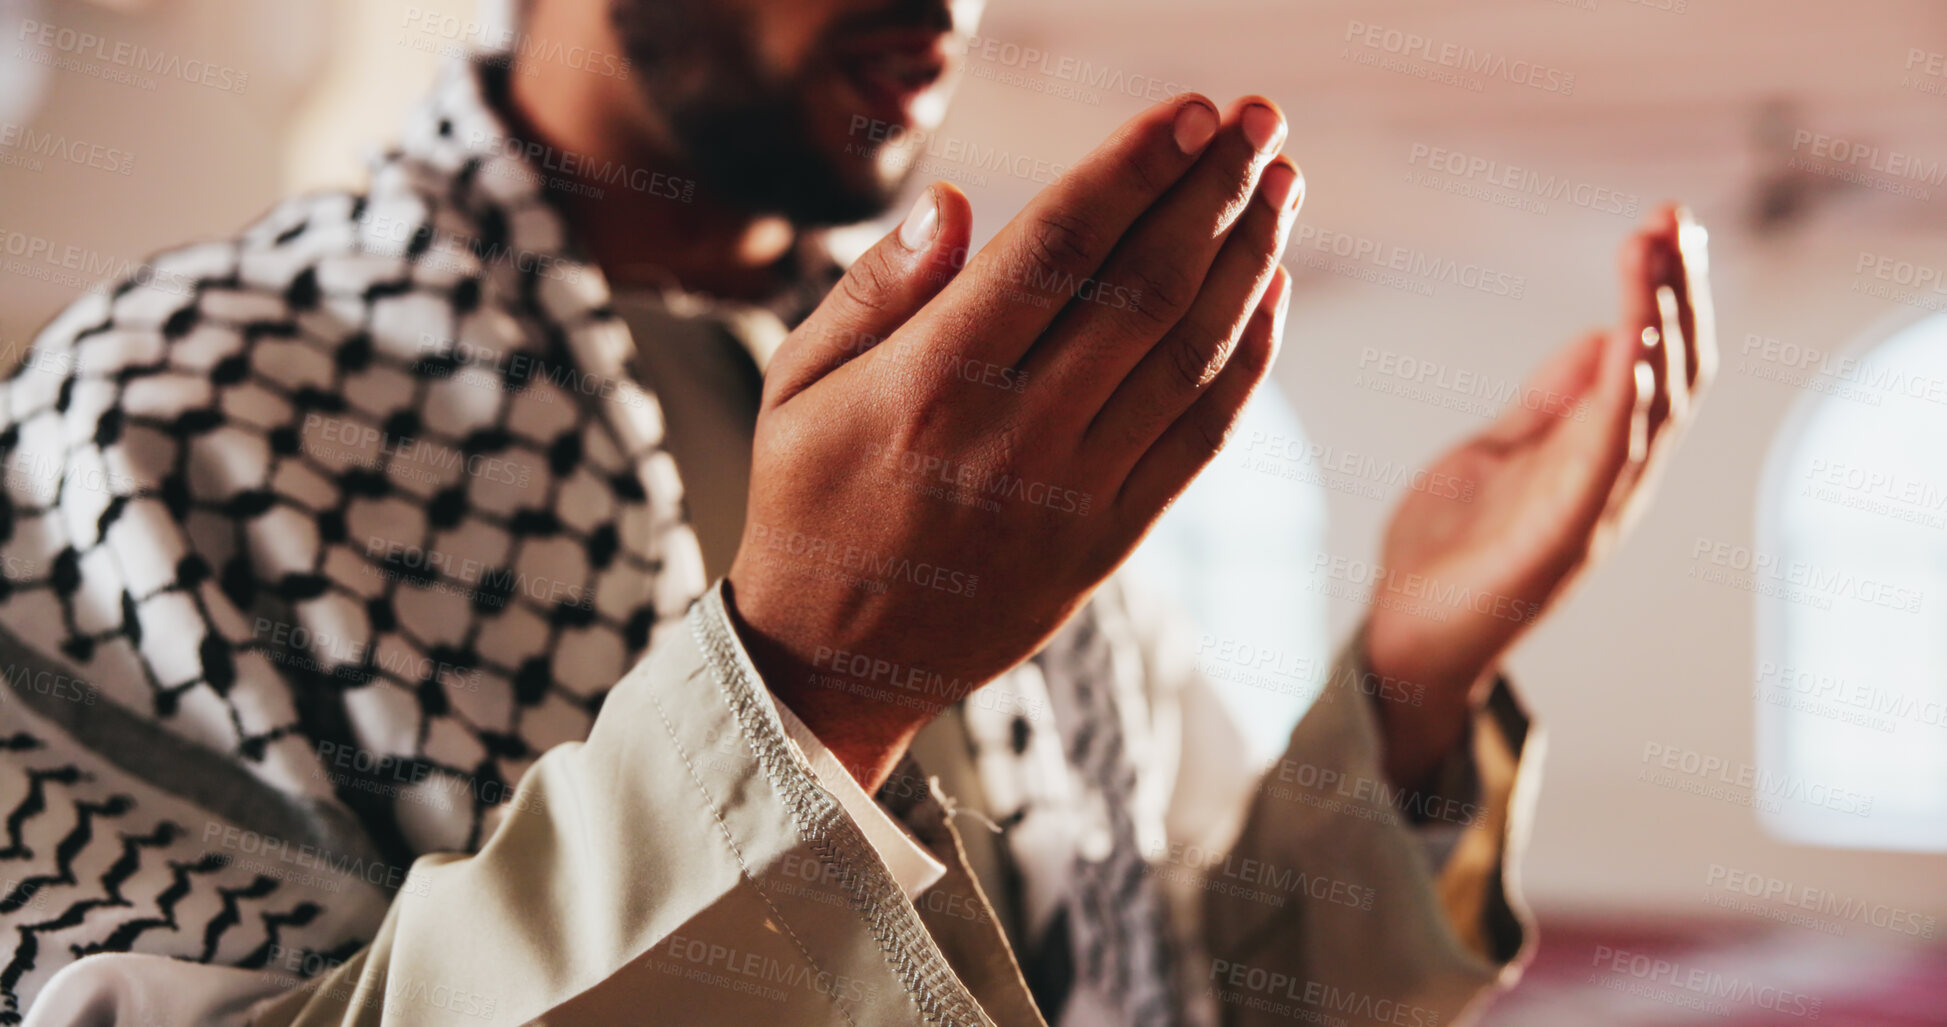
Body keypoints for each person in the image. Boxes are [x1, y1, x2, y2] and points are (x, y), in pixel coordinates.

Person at [0, 0, 1713, 1024]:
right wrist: (815, 690)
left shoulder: (975, 404)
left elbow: (1192, 991)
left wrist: (1412, 678)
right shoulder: (170, 418)